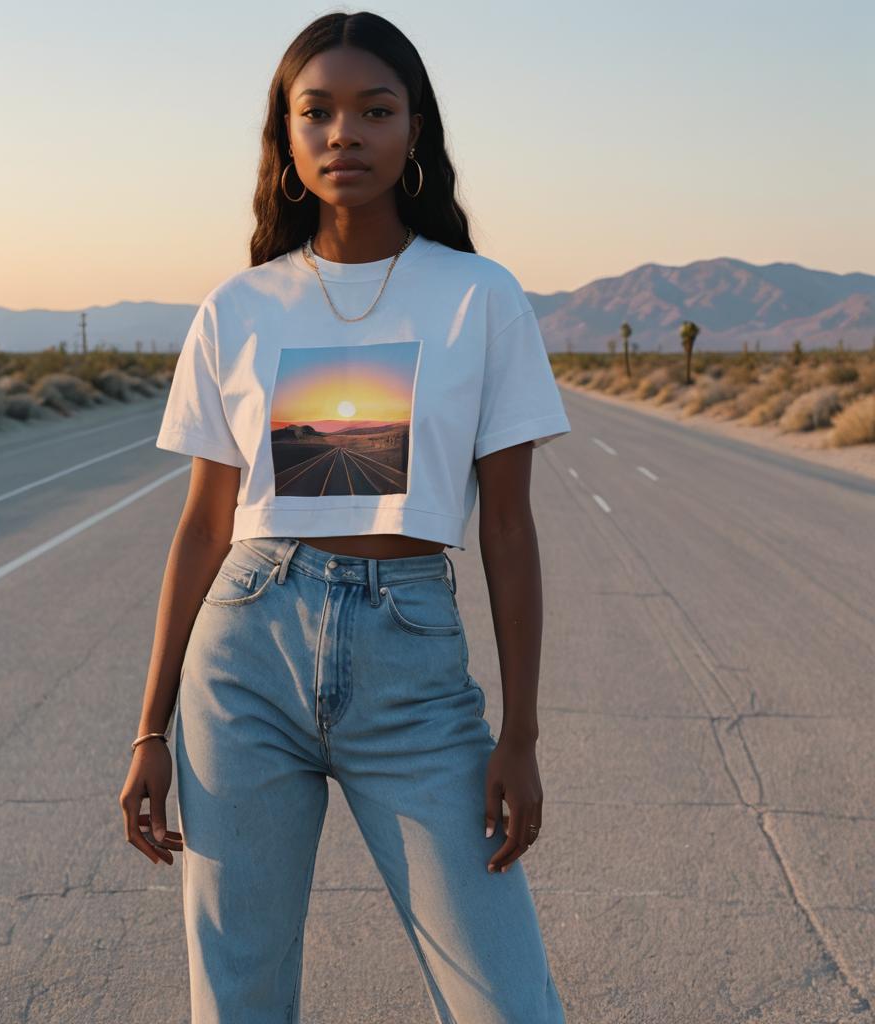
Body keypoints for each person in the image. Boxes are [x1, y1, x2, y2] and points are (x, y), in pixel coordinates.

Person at [118, 10, 571, 1022]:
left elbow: (508, 527)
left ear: (415, 131)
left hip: (412, 665)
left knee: (509, 1000)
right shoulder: (237, 307)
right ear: (285, 137)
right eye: (315, 112)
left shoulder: (478, 299)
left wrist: (523, 734)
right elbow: (202, 526)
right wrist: (148, 728)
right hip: (244, 660)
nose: (344, 134)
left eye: (374, 110)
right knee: (238, 999)